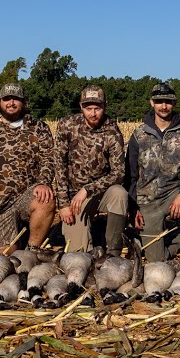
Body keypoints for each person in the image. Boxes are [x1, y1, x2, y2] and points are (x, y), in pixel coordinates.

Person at [0, 83, 63, 255]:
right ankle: (17, 246)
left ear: (24, 102)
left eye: (16, 99)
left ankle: (32, 250)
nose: (11, 103)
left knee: (45, 199)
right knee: (8, 257)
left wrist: (43, 183)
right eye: (7, 99)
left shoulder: (38, 128)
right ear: (0, 101)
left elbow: (48, 159)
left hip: (26, 195)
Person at [126, 82, 180, 261]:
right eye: (159, 101)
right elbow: (131, 175)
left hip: (174, 196)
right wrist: (134, 207)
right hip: (147, 202)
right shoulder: (139, 135)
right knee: (156, 260)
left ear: (174, 103)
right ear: (152, 103)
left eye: (168, 101)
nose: (164, 106)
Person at [56, 85, 129, 253]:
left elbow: (119, 173)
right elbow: (59, 165)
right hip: (75, 198)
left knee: (119, 193)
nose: (93, 113)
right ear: (81, 106)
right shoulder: (67, 125)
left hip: (101, 193)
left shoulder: (112, 131)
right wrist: (64, 203)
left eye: (98, 108)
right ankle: (91, 239)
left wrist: (88, 189)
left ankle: (113, 252)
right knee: (77, 252)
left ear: (105, 106)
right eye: (88, 108)